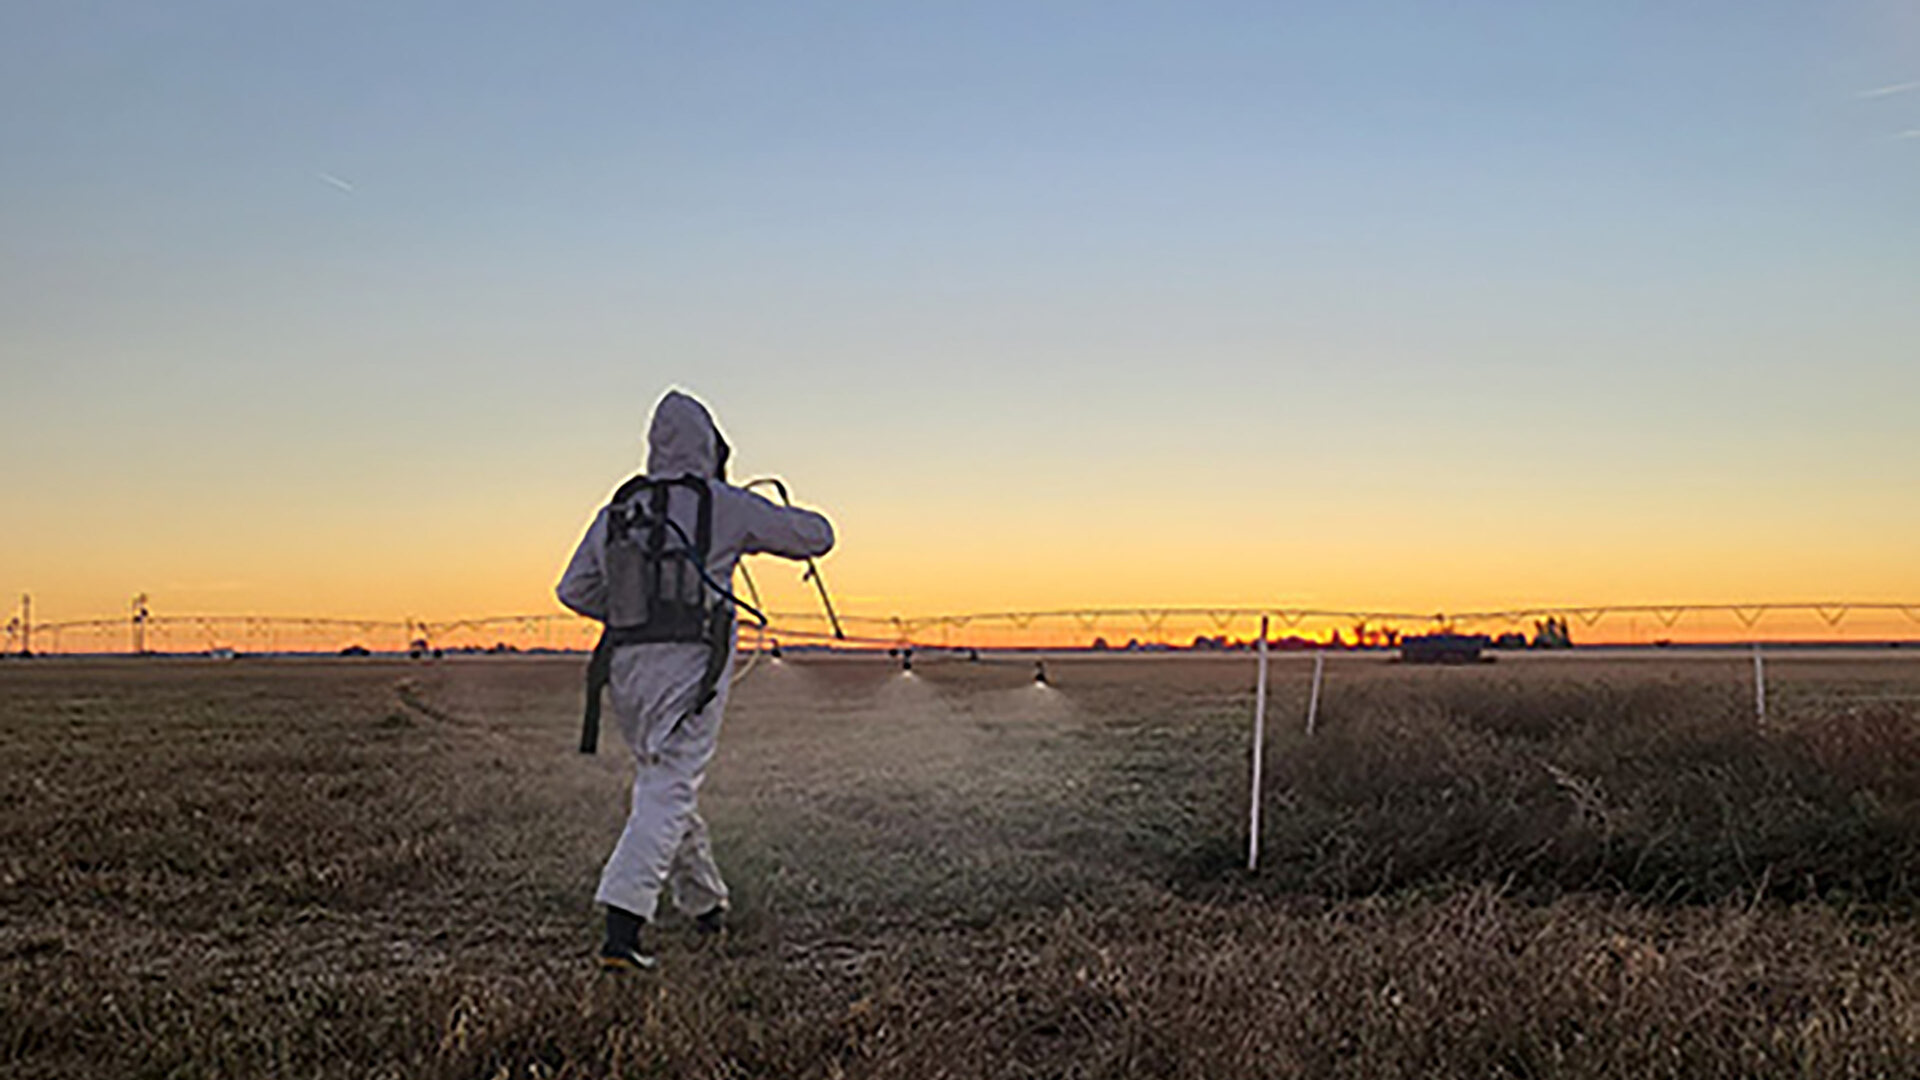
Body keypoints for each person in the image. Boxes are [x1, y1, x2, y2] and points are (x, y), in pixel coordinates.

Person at [557, 389, 834, 971]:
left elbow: (573, 589)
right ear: (711, 446)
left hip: (626, 666)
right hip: (692, 666)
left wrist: (630, 608)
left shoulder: (619, 509)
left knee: (664, 777)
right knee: (671, 784)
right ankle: (622, 927)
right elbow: (819, 536)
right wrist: (773, 514)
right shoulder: (723, 502)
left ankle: (706, 906)